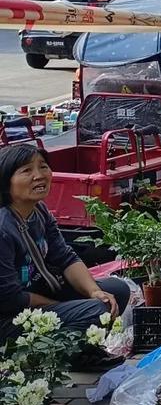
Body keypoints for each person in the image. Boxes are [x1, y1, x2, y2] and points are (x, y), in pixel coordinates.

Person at [0, 144, 131, 343]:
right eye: (27, 170)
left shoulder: (39, 211)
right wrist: (58, 308)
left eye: (43, 166)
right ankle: (74, 356)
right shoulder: (3, 228)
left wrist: (94, 292)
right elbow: (10, 298)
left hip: (39, 291)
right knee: (94, 310)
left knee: (115, 291)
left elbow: (65, 257)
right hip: (9, 317)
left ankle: (81, 347)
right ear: (5, 181)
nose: (39, 175)